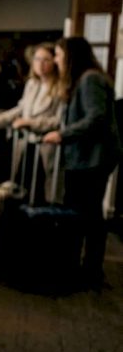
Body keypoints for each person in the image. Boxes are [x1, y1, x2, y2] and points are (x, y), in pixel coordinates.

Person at [43, 37, 122, 288]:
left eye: (58, 55)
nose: (56, 60)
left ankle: (89, 270)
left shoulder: (90, 79)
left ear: (71, 56)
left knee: (88, 216)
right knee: (87, 214)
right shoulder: (85, 79)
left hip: (92, 160)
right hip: (87, 158)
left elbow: (96, 118)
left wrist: (62, 134)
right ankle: (83, 267)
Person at [0, 42, 63, 202]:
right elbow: (20, 109)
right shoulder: (32, 84)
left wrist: (30, 123)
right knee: (21, 187)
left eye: (46, 59)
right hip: (26, 144)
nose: (41, 63)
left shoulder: (60, 87)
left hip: (45, 146)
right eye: (37, 59)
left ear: (54, 61)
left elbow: (57, 121)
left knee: (41, 193)